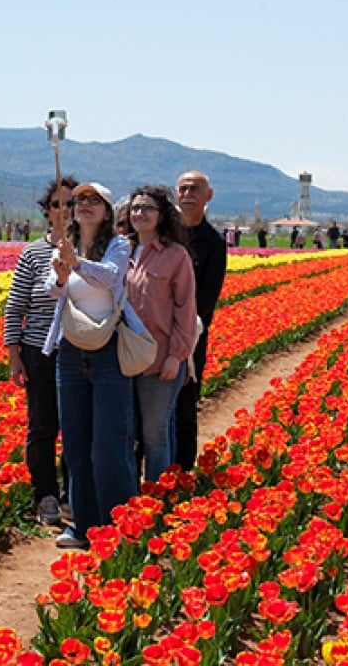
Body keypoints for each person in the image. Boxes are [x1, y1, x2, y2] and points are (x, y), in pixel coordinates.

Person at [43, 182, 137, 549]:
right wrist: (62, 272)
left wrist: (77, 263)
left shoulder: (119, 245)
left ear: (107, 210)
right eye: (79, 200)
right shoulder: (65, 245)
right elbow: (53, 290)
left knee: (110, 441)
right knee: (76, 443)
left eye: (93, 200)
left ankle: (117, 525)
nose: (84, 205)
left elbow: (112, 277)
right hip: (71, 349)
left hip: (108, 349)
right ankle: (83, 525)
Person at [5, 176, 76, 527]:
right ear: (47, 211)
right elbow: (15, 305)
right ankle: (45, 494)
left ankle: (71, 496)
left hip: (80, 349)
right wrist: (14, 355)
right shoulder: (33, 253)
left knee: (77, 425)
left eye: (71, 204)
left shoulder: (89, 251)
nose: (64, 211)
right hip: (38, 350)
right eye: (57, 204)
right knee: (43, 425)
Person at [125, 185, 197, 484]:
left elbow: (185, 309)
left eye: (147, 208)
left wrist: (176, 356)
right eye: (135, 208)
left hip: (160, 358)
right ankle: (127, 495)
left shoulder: (175, 256)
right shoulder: (120, 250)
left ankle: (157, 499)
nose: (140, 214)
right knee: (126, 431)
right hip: (121, 358)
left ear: (162, 215)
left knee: (155, 433)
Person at [172, 171, 227, 471]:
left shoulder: (214, 243)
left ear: (209, 195)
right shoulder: (165, 236)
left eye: (195, 188)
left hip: (191, 337)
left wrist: (178, 333)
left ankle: (181, 471)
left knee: (184, 406)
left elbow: (206, 300)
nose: (188, 193)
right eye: (183, 188)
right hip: (153, 335)